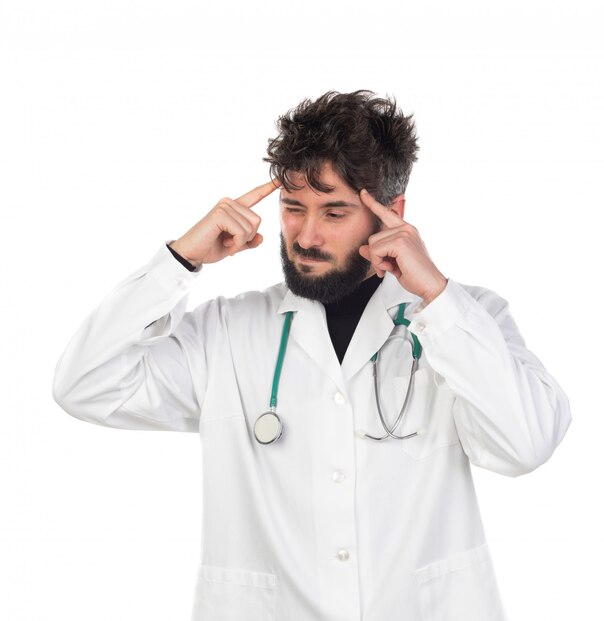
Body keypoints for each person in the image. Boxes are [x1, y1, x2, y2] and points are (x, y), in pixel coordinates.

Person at [52, 90, 571, 621]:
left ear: (391, 215)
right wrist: (178, 262)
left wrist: (437, 297)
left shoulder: (466, 319)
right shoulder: (226, 333)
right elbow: (85, 384)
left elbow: (524, 445)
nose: (306, 235)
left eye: (334, 212)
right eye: (293, 208)